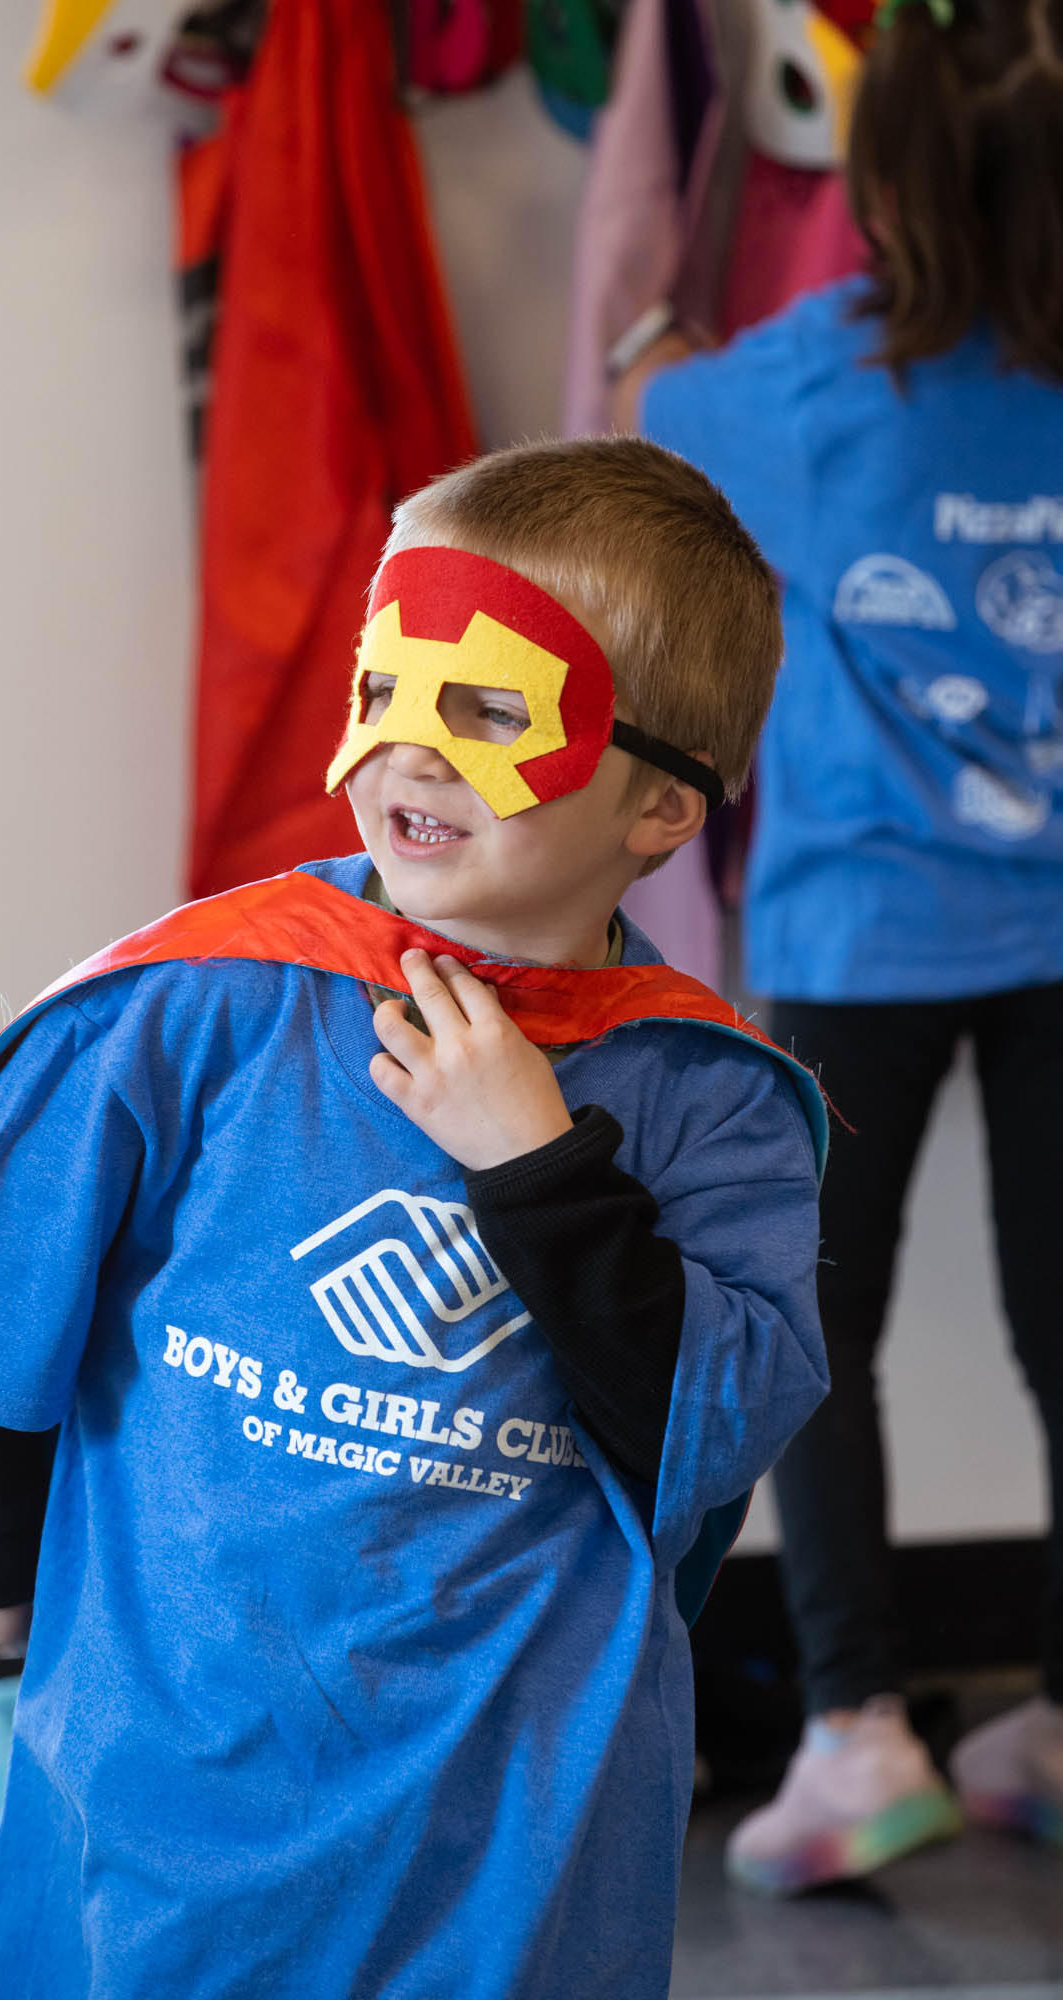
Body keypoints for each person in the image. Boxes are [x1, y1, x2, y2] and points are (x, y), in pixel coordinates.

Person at [0, 437, 829, 1999]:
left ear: (660, 807)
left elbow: (708, 1437)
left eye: (494, 712)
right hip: (178, 1797)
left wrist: (538, 1170)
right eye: (384, 690)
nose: (410, 754)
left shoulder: (705, 1097)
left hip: (518, 1836)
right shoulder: (182, 1006)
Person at [612, 0, 1063, 1897]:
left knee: (814, 1329)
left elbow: (650, 399)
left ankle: (860, 1725)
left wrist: (651, 314)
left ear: (876, 186)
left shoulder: (797, 390)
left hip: (858, 933)